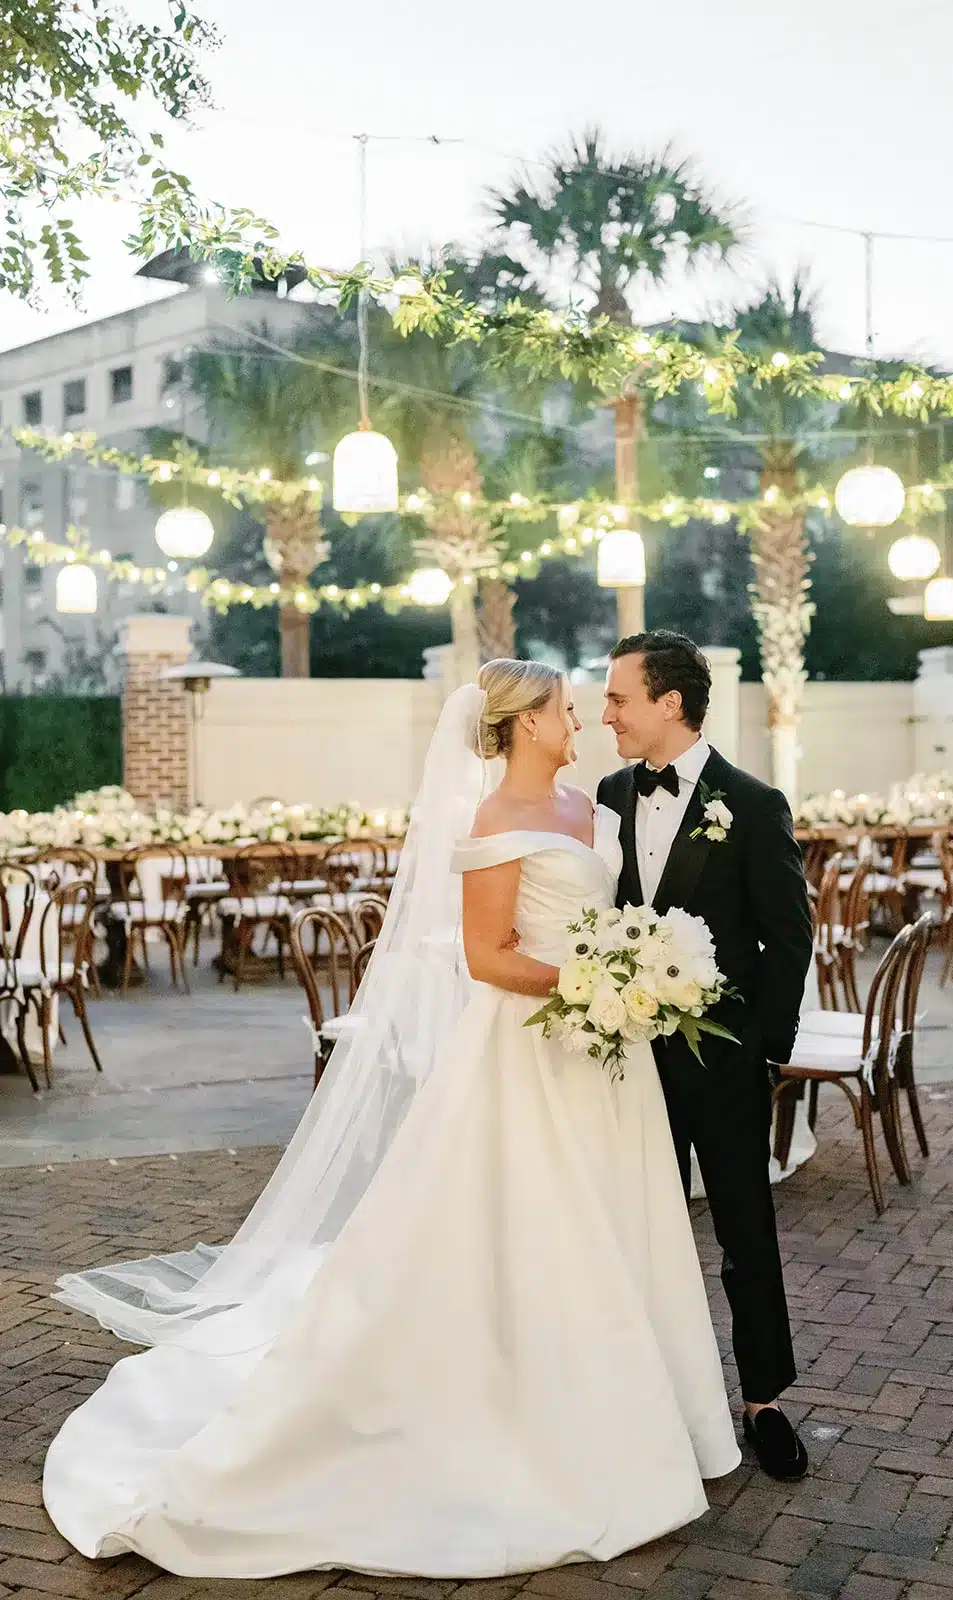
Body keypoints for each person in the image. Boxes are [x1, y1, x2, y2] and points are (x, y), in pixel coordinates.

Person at [42, 659, 741, 1581]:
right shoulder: (494, 822)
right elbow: (491, 957)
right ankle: (540, 1417)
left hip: (601, 1056)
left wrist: (632, 969)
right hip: (528, 1047)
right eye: (560, 709)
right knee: (534, 1225)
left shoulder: (592, 809)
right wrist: (601, 978)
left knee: (617, 1220)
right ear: (523, 724)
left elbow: (609, 914)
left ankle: (641, 1409)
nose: (576, 718)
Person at [597, 631, 813, 1482]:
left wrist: (760, 1051)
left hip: (720, 1063)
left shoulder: (752, 804)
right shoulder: (610, 793)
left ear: (669, 704)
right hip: (624, 1059)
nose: (604, 714)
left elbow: (787, 939)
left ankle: (763, 1402)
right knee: (637, 1231)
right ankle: (647, 1400)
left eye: (618, 698)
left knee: (743, 1236)